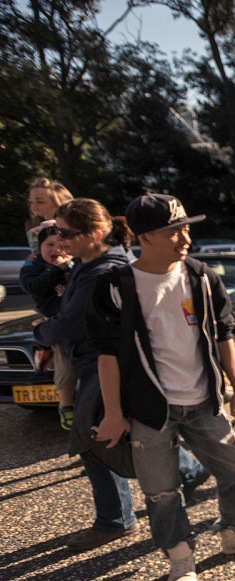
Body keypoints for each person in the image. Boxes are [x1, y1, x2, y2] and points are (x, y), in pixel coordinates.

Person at [90, 193, 235, 581]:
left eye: (186, 228)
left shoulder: (201, 276)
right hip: (149, 407)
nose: (186, 238)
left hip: (205, 399)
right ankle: (180, 557)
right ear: (145, 237)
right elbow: (106, 355)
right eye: (174, 231)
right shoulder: (116, 286)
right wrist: (113, 412)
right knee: (161, 490)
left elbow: (225, 334)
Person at [32, 199, 138, 551]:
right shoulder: (84, 264)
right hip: (90, 361)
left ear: (94, 234)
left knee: (91, 438)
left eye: (65, 233)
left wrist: (41, 332)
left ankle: (115, 519)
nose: (59, 239)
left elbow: (72, 322)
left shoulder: (102, 271)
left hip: (103, 362)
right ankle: (190, 470)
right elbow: (60, 308)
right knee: (112, 437)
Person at [21, 221, 77, 429]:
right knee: (64, 365)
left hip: (77, 320)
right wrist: (57, 270)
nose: (56, 250)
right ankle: (66, 407)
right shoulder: (33, 266)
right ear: (39, 247)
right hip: (56, 324)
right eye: (49, 245)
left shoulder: (75, 263)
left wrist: (70, 267)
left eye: (61, 246)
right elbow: (34, 287)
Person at [26, 177, 73, 252]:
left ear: (58, 202)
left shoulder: (74, 227)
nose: (33, 207)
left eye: (40, 202)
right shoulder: (35, 229)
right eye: (31, 202)